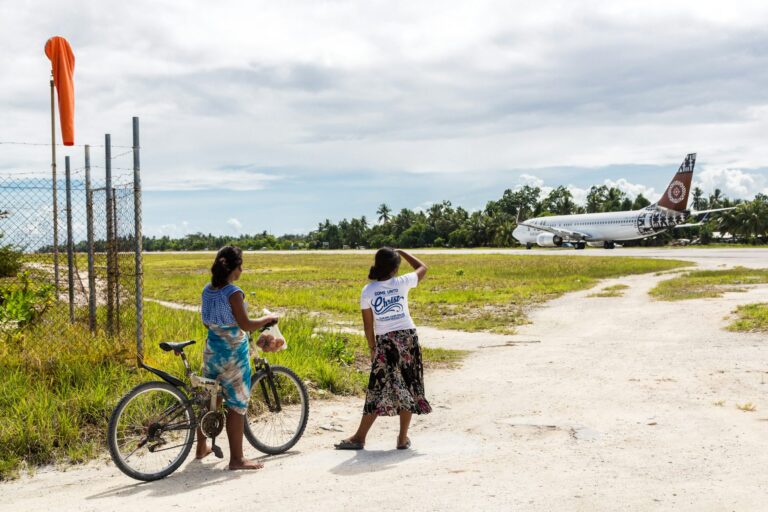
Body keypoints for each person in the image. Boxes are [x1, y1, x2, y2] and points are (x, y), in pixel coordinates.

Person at [335, 247, 431, 451]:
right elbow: (423, 267)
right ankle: (402, 438)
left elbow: (368, 326)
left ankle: (360, 437)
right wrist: (403, 252)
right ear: (395, 268)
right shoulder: (402, 282)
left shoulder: (368, 290)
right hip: (408, 339)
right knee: (408, 385)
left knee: (377, 388)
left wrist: (372, 349)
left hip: (385, 342)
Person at [197, 246, 279, 470]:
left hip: (212, 351)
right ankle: (237, 459)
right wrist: (266, 318)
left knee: (211, 398)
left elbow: (206, 321)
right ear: (236, 267)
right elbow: (245, 324)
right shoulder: (233, 292)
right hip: (233, 354)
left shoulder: (208, 289)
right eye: (241, 264)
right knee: (236, 404)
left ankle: (201, 447)